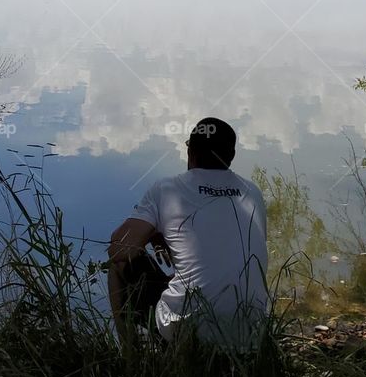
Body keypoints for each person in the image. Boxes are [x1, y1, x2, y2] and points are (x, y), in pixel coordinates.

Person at [108, 117, 269, 346]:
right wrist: (159, 235)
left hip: (189, 334)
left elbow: (118, 248)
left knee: (119, 267)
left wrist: (153, 232)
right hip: (251, 331)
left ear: (190, 152)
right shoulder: (253, 193)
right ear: (231, 156)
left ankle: (130, 354)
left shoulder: (167, 189)